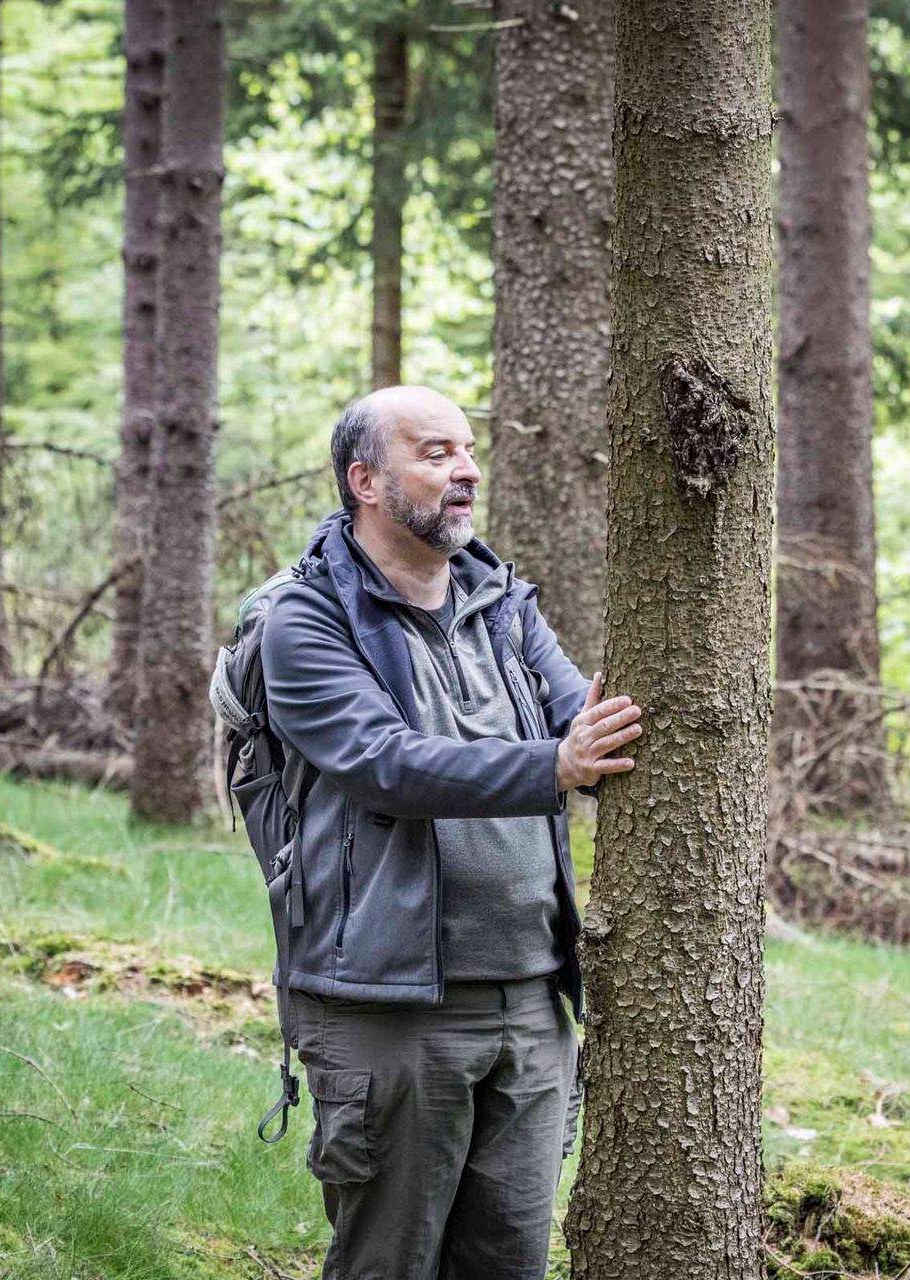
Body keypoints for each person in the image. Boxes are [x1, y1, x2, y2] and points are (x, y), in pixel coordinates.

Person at [260, 385, 641, 1279]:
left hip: (532, 1003)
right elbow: (381, 763)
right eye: (434, 454)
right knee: (390, 1263)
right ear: (365, 479)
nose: (465, 470)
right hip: (388, 1009)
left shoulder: (502, 603)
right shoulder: (305, 618)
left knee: (509, 1264)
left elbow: (578, 714)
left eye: (467, 451)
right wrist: (552, 764)